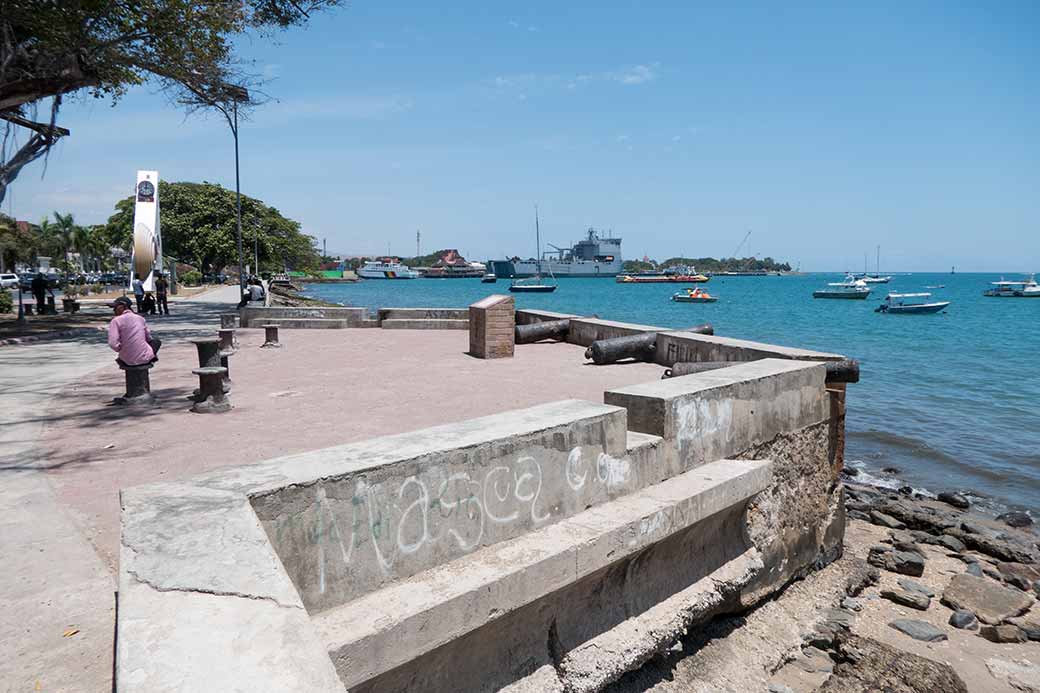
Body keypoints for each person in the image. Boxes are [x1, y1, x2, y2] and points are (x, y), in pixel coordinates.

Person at [107, 296, 157, 367]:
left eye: (115, 308)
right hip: (145, 358)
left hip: (126, 359)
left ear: (122, 307)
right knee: (156, 342)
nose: (114, 310)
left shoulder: (116, 321)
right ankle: (150, 358)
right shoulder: (140, 318)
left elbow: (113, 344)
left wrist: (122, 349)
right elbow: (148, 338)